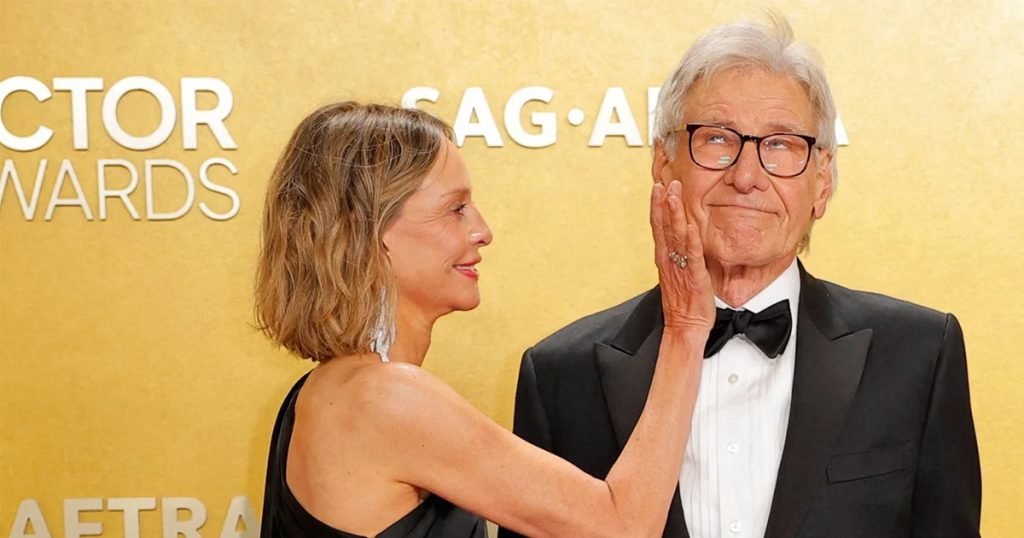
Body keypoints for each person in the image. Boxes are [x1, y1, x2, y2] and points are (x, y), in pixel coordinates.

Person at [499, 16, 981, 538]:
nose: (747, 177)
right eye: (716, 139)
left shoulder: (919, 354)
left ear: (822, 181)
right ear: (663, 163)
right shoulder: (560, 376)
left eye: (780, 145)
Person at [256, 101, 715, 537]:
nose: (482, 231)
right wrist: (685, 330)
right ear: (373, 231)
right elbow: (623, 527)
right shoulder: (384, 399)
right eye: (455, 209)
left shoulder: (322, 393)